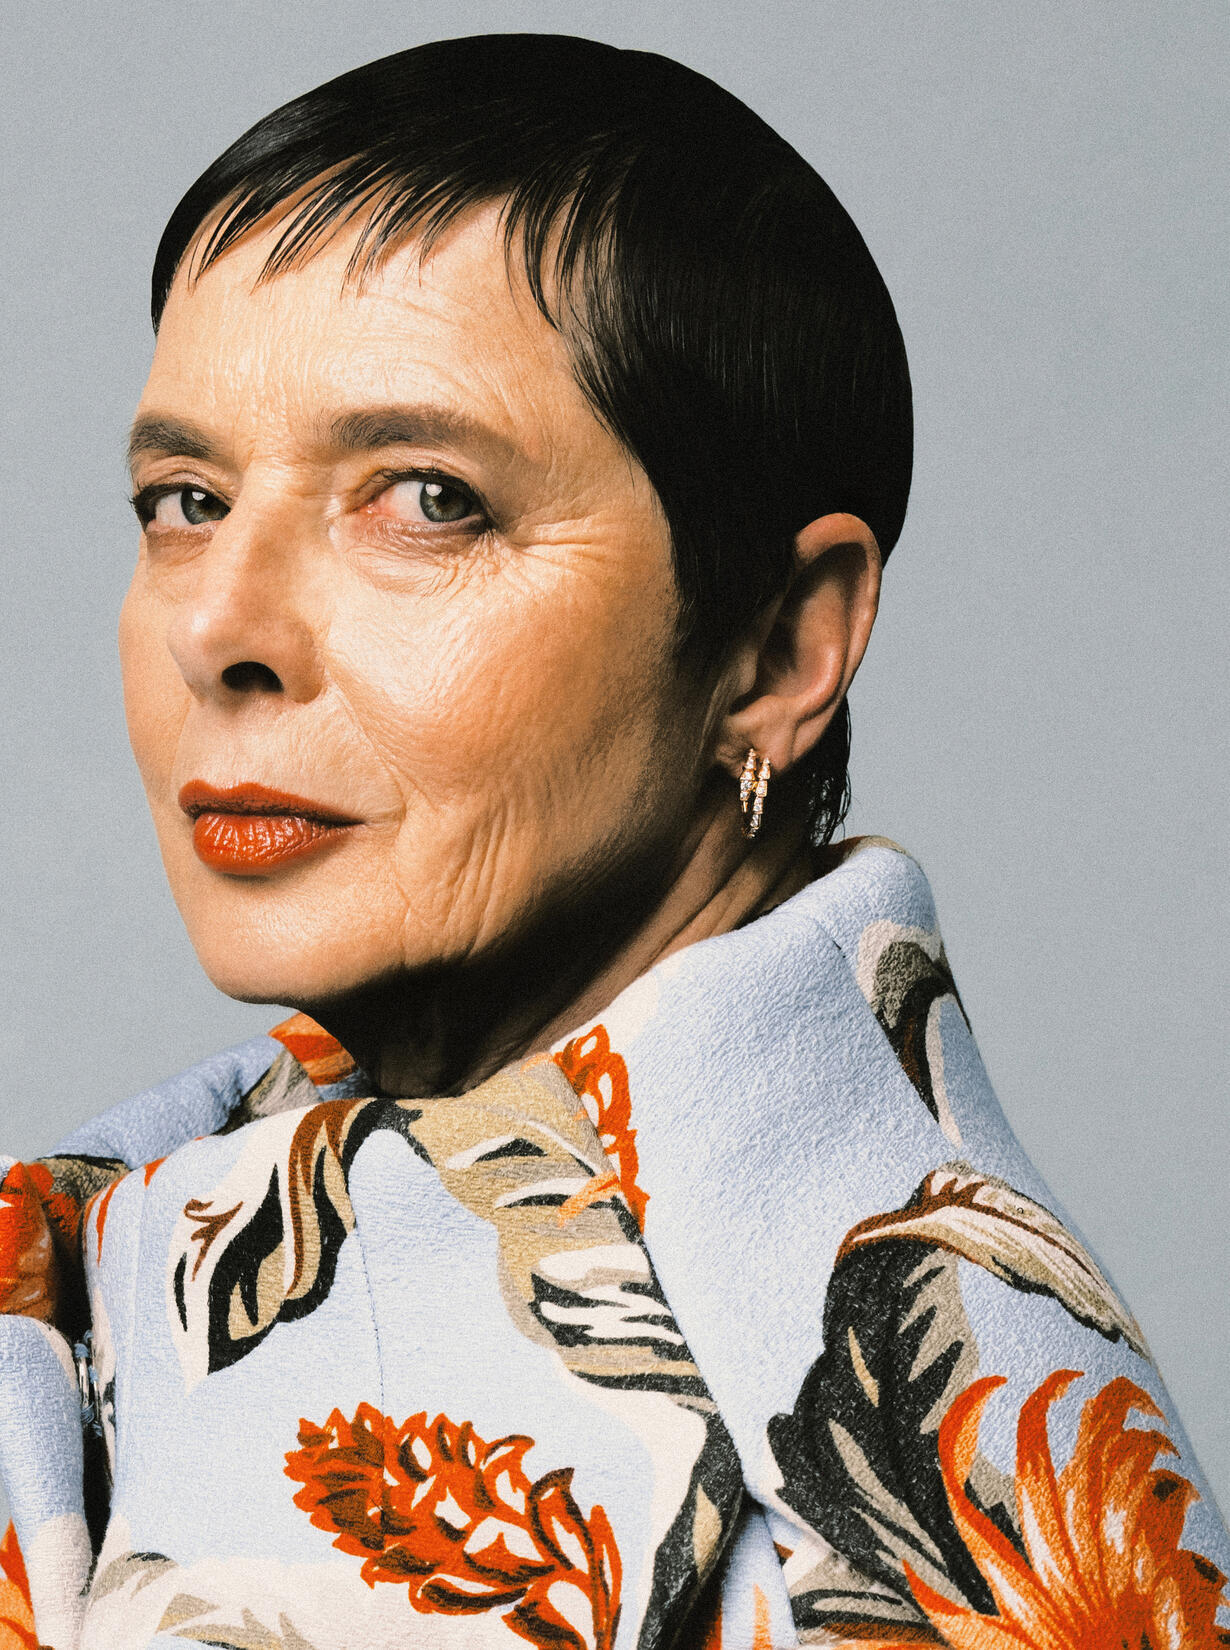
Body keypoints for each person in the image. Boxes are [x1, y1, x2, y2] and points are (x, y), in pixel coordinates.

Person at [0, 32, 1225, 1650]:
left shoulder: (920, 1497)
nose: (215, 626)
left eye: (427, 499)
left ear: (777, 647)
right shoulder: (127, 1234)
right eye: (185, 498)